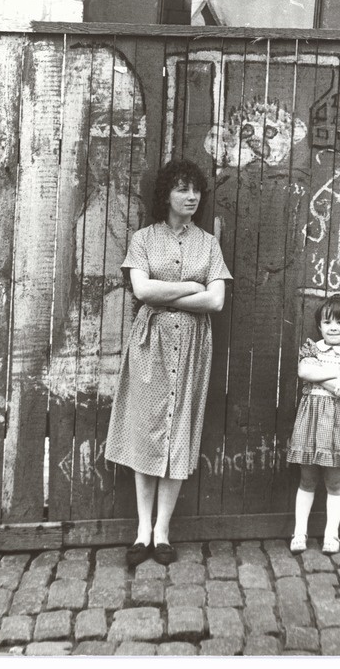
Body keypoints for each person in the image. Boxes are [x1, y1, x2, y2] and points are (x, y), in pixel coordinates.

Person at [105, 159, 232, 567]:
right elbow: (142, 291)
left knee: (179, 434)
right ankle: (142, 530)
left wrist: (168, 293)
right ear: (166, 195)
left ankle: (163, 532)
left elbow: (216, 300)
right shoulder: (144, 239)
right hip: (151, 346)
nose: (191, 196)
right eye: (181, 189)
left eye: (195, 189)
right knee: (146, 432)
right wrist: (191, 286)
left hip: (192, 347)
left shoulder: (208, 244)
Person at [287, 294, 340, 554]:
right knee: (307, 479)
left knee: (335, 482)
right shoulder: (311, 348)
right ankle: (300, 531)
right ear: (320, 325)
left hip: (338, 424)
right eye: (327, 322)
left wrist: (319, 374)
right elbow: (303, 372)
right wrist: (335, 373)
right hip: (310, 420)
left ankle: (331, 535)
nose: (333, 327)